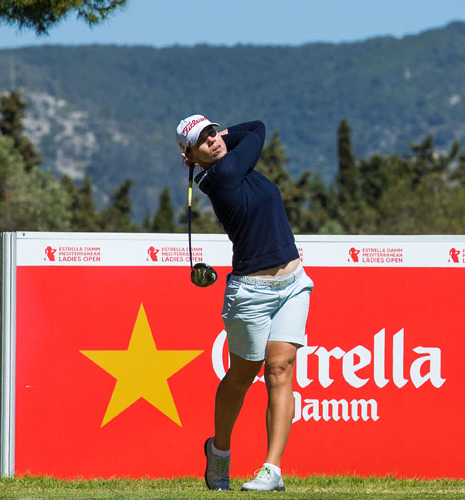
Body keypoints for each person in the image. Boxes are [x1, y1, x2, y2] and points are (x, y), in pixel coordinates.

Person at [175, 114, 314, 492]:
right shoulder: (222, 176)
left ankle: (272, 469)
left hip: (293, 282)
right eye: (202, 141)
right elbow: (257, 129)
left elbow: (253, 127)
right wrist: (225, 139)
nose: (214, 141)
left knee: (280, 370)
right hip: (251, 293)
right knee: (242, 376)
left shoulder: (225, 165)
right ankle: (219, 452)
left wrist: (217, 138)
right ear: (190, 155)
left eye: (212, 132)